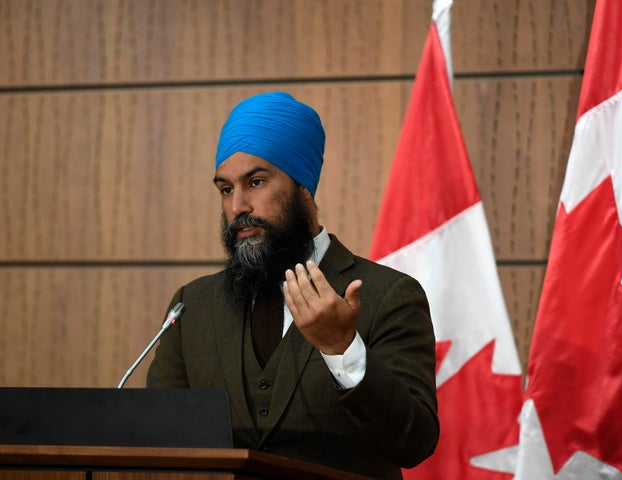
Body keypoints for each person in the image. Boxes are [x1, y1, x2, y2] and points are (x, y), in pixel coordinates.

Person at [147, 91, 439, 479]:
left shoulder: (387, 295)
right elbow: (155, 442)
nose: (238, 207)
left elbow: (415, 441)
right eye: (226, 189)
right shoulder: (192, 305)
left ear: (304, 187)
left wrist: (343, 349)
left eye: (255, 182)